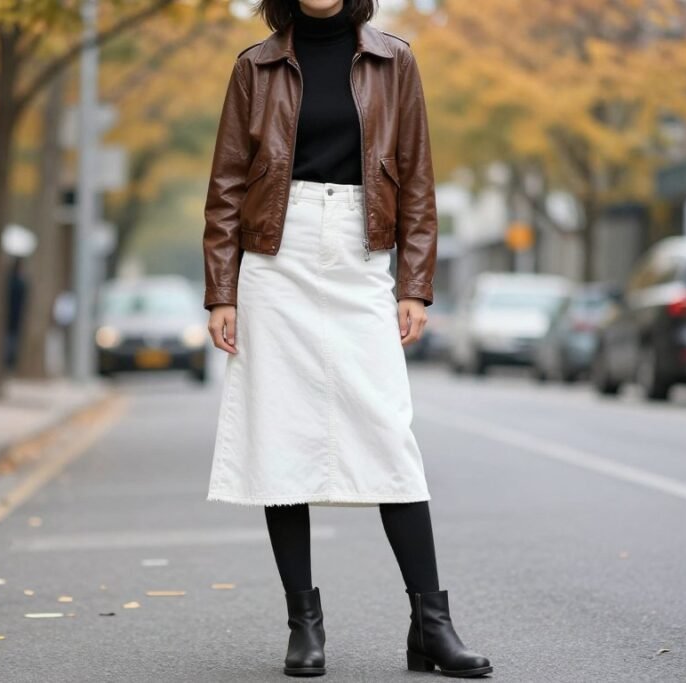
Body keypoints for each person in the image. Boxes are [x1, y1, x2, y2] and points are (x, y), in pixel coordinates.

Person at [201, 0, 492, 678]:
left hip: (363, 252)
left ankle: (431, 624)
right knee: (280, 437)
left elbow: (417, 177)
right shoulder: (255, 67)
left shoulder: (394, 60)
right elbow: (226, 186)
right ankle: (304, 626)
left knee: (389, 435)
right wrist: (222, 291)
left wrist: (414, 283)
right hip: (276, 256)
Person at [5, 257, 28, 370]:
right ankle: (10, 363)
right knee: (12, 341)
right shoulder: (19, 284)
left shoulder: (8, 282)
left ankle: (8, 363)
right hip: (15, 317)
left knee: (9, 341)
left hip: (9, 317)